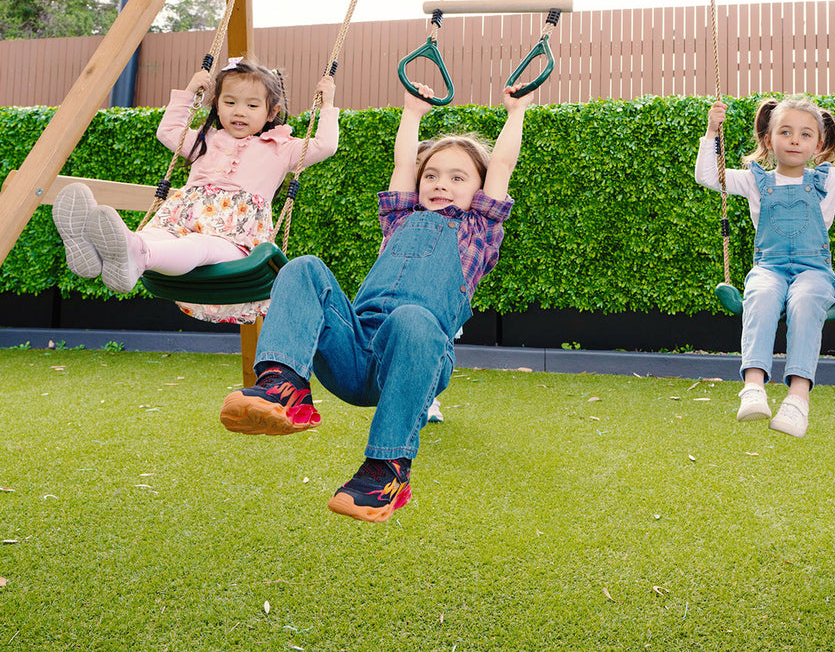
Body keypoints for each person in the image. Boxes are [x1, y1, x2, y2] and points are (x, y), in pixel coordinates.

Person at [218, 80, 530, 522]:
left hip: (410, 361)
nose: (440, 185)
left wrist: (515, 112)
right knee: (303, 266)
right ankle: (283, 387)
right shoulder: (400, 217)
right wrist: (412, 112)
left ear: (479, 192)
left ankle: (385, 470)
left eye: (457, 178)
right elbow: (405, 160)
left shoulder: (477, 229)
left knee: (412, 318)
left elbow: (501, 163)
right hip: (355, 352)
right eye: (432, 176)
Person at [52, 57, 338, 323]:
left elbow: (325, 145)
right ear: (216, 104)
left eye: (252, 106)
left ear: (271, 112)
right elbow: (168, 132)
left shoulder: (282, 149)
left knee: (197, 246)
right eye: (230, 102)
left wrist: (327, 105)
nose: (239, 111)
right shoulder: (205, 141)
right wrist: (189, 91)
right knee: (154, 235)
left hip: (233, 243)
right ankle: (94, 255)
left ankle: (137, 255)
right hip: (181, 223)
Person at [695, 95, 835, 437]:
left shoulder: (829, 180)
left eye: (805, 134)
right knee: (761, 295)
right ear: (769, 141)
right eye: (785, 132)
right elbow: (708, 177)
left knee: (805, 302)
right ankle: (753, 387)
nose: (795, 140)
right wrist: (712, 131)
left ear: (819, 144)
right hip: (769, 267)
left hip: (814, 270)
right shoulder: (755, 180)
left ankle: (797, 399)